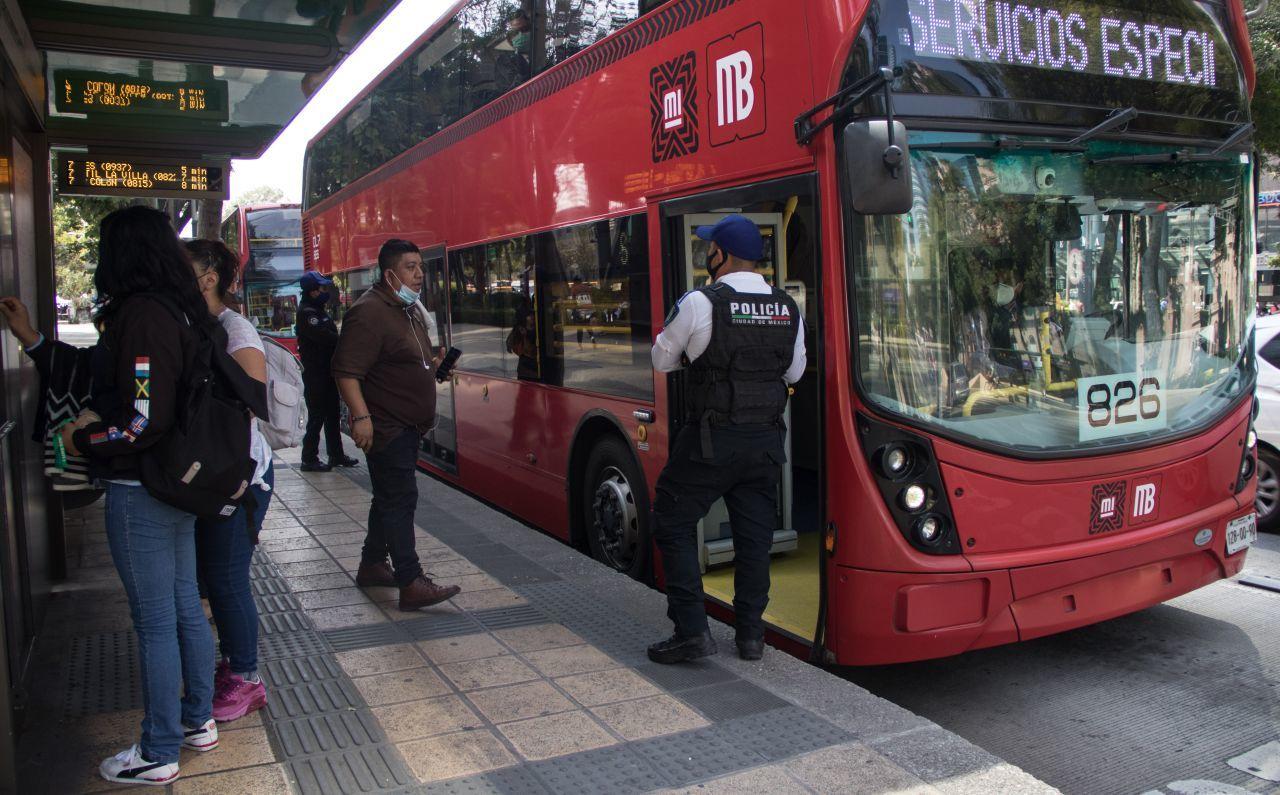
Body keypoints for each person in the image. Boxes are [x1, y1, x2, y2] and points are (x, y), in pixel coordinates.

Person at [63, 206, 220, 785]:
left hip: (143, 486)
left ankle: (158, 750)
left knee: (156, 619)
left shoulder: (144, 315)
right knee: (182, 607)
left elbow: (142, 420)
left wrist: (86, 438)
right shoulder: (180, 308)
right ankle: (197, 720)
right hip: (175, 484)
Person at [647, 214, 806, 665]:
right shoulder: (786, 307)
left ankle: (692, 632)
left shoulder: (701, 302)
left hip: (711, 442)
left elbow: (663, 360)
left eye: (709, 247)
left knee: (673, 522)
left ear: (722, 255)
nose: (706, 254)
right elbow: (793, 373)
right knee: (755, 538)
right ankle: (751, 637)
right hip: (765, 444)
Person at [331, 239, 461, 611]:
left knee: (388, 498)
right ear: (390, 274)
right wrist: (361, 417)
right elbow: (346, 371)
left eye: (421, 266)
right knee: (400, 499)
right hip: (387, 427)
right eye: (410, 267)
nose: (420, 274)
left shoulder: (405, 309)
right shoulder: (369, 312)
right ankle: (410, 579)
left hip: (406, 426)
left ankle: (372, 564)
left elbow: (404, 363)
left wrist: (433, 370)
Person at [186, 239, 272, 723]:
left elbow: (250, 403)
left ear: (209, 277)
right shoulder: (193, 325)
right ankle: (231, 666)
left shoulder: (234, 330)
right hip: (209, 477)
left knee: (226, 578)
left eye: (185, 269)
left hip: (236, 477)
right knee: (212, 578)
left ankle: (245, 677)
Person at [295, 270, 357, 471]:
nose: (325, 291)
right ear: (312, 292)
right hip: (316, 374)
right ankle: (309, 458)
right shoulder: (308, 313)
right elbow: (327, 337)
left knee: (332, 414)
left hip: (327, 372)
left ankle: (336, 455)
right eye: (322, 288)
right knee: (317, 416)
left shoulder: (318, 310)